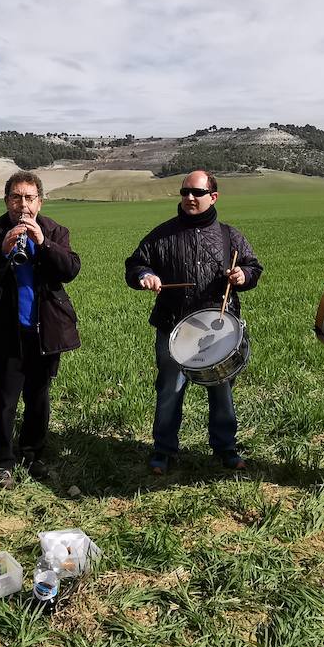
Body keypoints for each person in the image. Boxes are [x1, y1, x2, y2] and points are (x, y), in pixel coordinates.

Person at [125, 170, 262, 475]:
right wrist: (144, 276)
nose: (189, 197)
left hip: (218, 329)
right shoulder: (161, 235)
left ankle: (226, 448)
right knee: (170, 390)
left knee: (222, 390)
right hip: (173, 327)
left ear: (213, 197)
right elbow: (135, 264)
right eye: (185, 191)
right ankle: (163, 451)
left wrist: (243, 276)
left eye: (197, 193)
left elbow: (253, 267)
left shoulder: (230, 236)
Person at [0, 171, 81, 489]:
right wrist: (2, 251)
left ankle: (33, 455)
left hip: (46, 330)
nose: (22, 204)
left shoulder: (55, 230)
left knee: (38, 398)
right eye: (16, 197)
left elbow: (70, 269)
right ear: (7, 201)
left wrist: (44, 244)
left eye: (29, 198)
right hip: (8, 331)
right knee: (3, 400)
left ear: (39, 202)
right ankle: (1, 463)